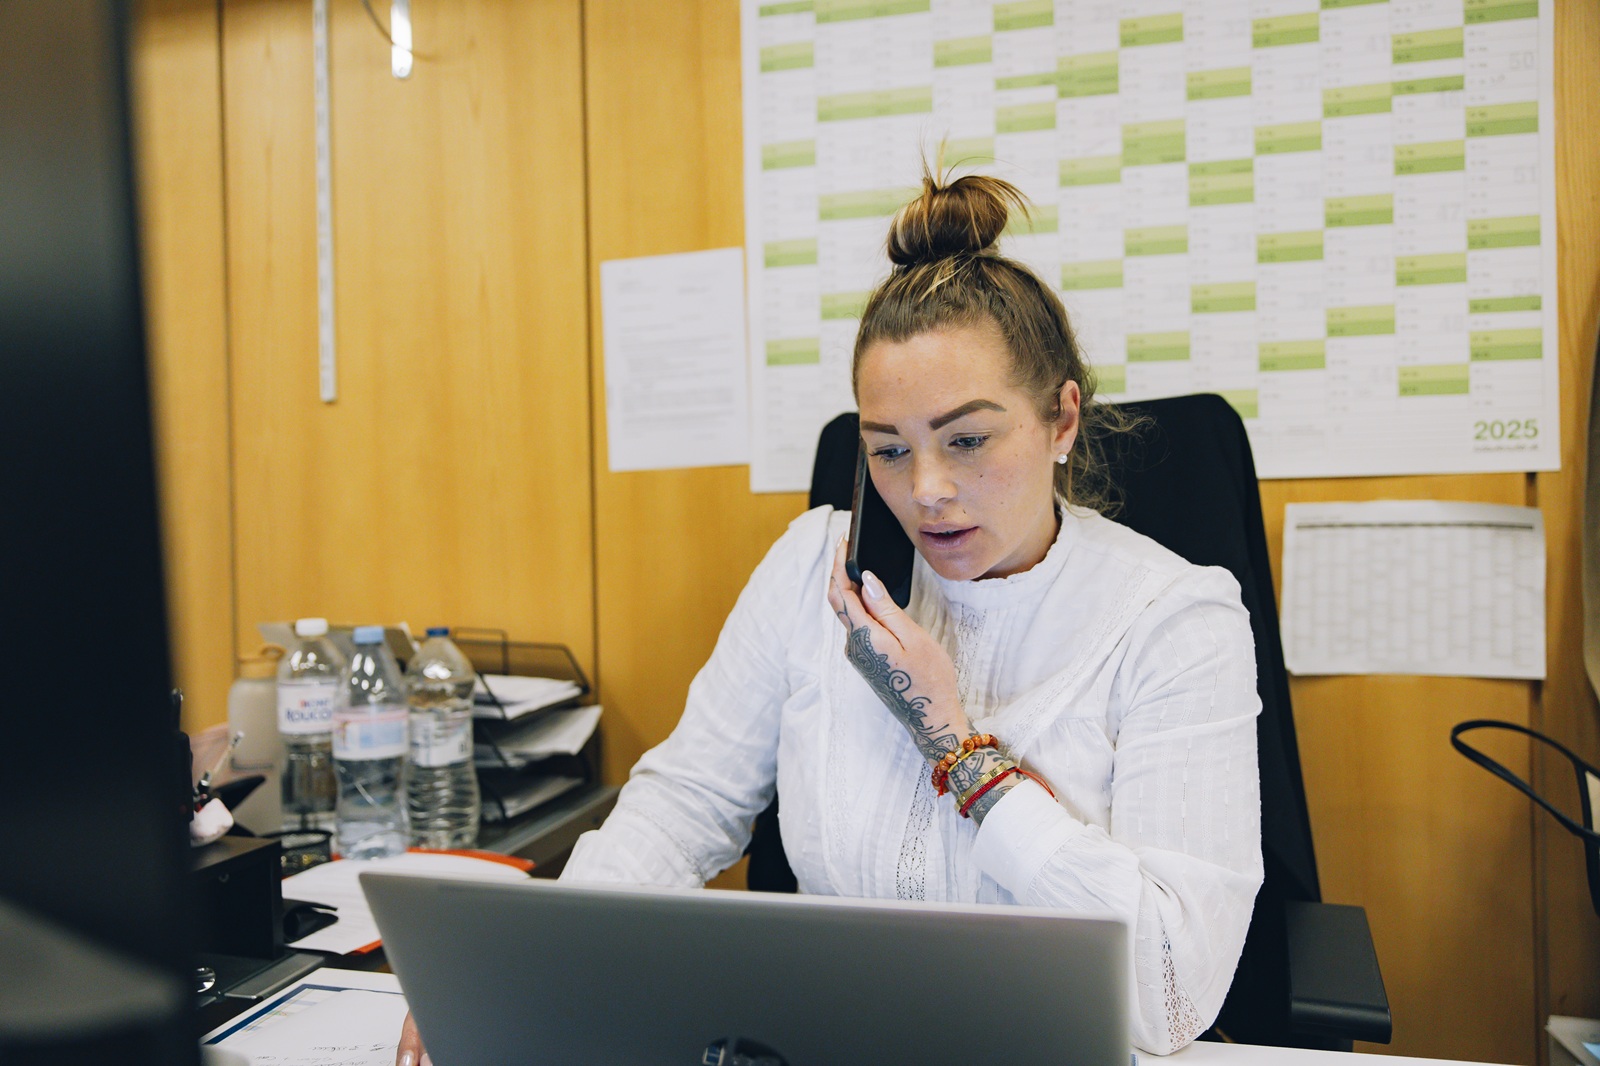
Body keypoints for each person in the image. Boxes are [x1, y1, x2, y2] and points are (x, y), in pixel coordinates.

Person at [396, 165, 1262, 1064]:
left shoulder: (1176, 621)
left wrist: (958, 748)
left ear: (1061, 419)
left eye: (967, 439)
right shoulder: (819, 565)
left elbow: (1169, 990)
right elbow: (686, 803)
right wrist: (519, 966)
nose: (926, 492)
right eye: (889, 449)